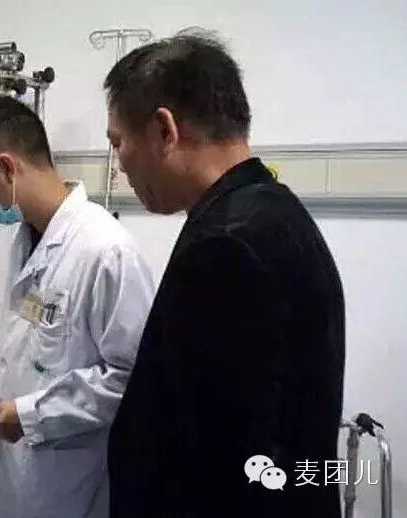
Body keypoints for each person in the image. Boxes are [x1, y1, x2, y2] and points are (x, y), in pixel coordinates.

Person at [104, 30, 346, 517]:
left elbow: (223, 464)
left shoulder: (226, 247)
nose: (118, 167)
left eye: (118, 142)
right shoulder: (276, 213)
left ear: (164, 130)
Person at [0, 97, 155, 518]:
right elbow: (14, 350)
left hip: (67, 488)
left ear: (7, 168)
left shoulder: (105, 251)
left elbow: (132, 380)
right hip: (13, 482)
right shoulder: (26, 240)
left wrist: (27, 416)